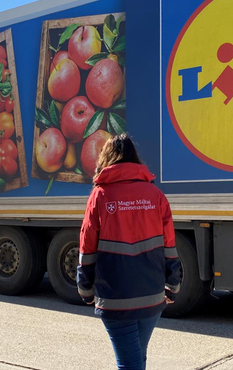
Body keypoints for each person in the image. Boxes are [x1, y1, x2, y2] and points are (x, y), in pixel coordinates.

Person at [77, 133, 181, 370]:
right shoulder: (156, 196)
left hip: (115, 299)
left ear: (106, 159)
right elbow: (169, 246)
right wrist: (172, 286)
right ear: (135, 159)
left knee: (131, 363)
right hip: (152, 297)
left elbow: (87, 247)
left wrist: (85, 288)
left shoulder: (100, 196)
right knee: (137, 359)